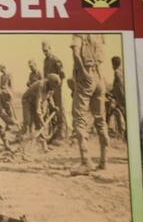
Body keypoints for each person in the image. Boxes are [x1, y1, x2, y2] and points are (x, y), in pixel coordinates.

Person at [70, 33, 109, 175]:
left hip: (86, 76)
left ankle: (86, 162)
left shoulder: (79, 32)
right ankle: (104, 161)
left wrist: (84, 73)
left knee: (79, 118)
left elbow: (76, 53)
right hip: (99, 76)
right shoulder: (98, 33)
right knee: (100, 119)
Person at [42, 40, 67, 140]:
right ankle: (54, 134)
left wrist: (58, 87)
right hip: (49, 89)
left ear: (50, 49)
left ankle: (62, 134)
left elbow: (63, 75)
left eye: (46, 50)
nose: (45, 52)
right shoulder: (45, 61)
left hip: (57, 88)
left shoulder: (56, 60)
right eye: (43, 51)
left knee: (59, 109)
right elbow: (45, 76)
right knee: (51, 109)